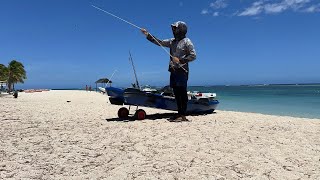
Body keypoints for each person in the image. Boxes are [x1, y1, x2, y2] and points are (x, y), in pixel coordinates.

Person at [141, 21, 196, 122]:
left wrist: (181, 60)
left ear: (181, 29)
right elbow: (160, 42)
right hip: (173, 71)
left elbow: (193, 56)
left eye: (175, 28)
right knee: (176, 93)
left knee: (182, 93)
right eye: (173, 28)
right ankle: (179, 113)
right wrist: (147, 35)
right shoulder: (172, 41)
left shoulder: (187, 41)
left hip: (182, 71)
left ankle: (183, 115)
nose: (174, 30)